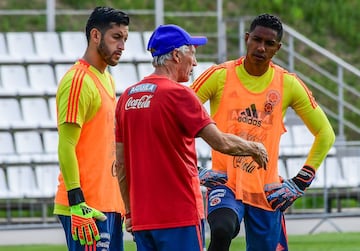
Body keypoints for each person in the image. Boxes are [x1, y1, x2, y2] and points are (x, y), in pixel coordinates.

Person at [114, 24, 269, 251]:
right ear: (176, 55)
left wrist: (129, 212)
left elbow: (120, 164)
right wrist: (255, 148)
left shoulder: (126, 97)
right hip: (179, 216)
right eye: (192, 53)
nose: (195, 63)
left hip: (142, 219)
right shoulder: (178, 94)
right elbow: (220, 142)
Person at [190, 13, 336, 251]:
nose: (261, 47)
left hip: (267, 191)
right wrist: (195, 171)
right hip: (225, 182)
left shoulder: (288, 83)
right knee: (221, 229)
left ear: (277, 49)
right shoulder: (219, 75)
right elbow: (176, 118)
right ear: (247, 38)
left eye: (269, 44)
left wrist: (300, 182)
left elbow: (326, 133)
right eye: (256, 40)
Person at [53, 6, 130, 251]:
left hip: (109, 205)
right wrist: (77, 202)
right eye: (116, 37)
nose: (122, 46)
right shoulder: (78, 80)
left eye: (125, 39)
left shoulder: (106, 78)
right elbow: (66, 144)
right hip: (85, 208)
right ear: (96, 35)